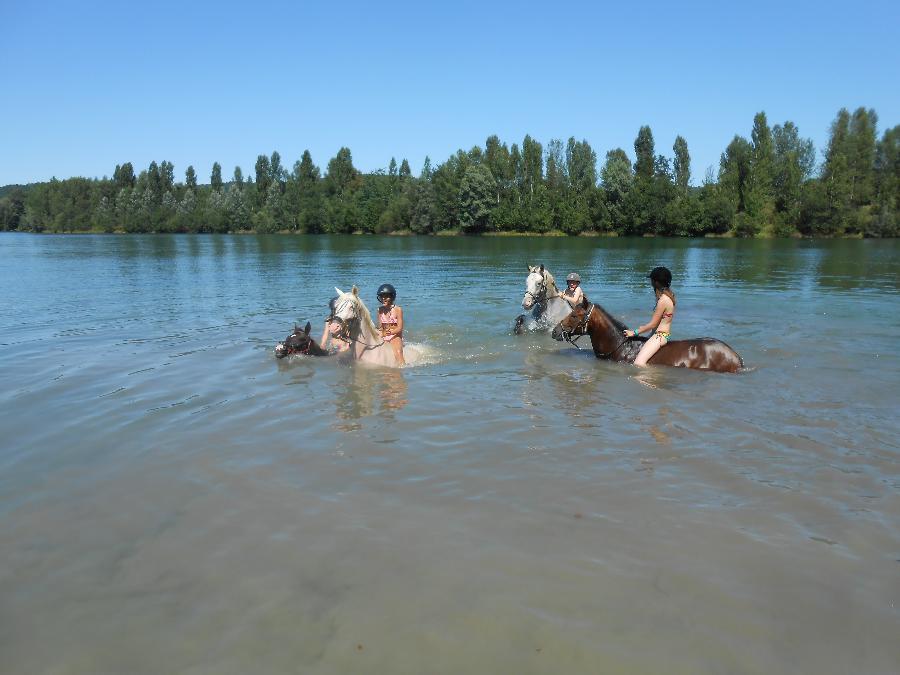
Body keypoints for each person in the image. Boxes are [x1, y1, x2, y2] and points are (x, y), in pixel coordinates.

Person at [624, 266, 675, 366]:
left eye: (651, 280)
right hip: (658, 334)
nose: (650, 282)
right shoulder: (668, 296)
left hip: (659, 336)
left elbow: (653, 324)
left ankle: (651, 380)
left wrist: (634, 332)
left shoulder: (663, 300)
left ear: (656, 282)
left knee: (638, 363)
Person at [376, 283, 406, 366]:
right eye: (382, 296)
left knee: (398, 352)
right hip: (384, 334)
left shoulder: (398, 310)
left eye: (386, 296)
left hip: (395, 335)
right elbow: (381, 327)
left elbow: (399, 328)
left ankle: (402, 366)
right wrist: (378, 332)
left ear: (392, 297)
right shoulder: (379, 310)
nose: (383, 299)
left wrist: (386, 333)